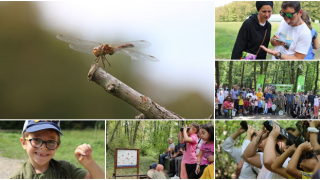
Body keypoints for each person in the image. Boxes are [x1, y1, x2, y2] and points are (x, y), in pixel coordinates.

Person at [9, 120, 105, 179]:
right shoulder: (16, 178)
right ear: (24, 143)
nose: (43, 147)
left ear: (57, 146)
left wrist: (89, 163)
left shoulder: (66, 170)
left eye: (51, 142)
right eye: (36, 140)